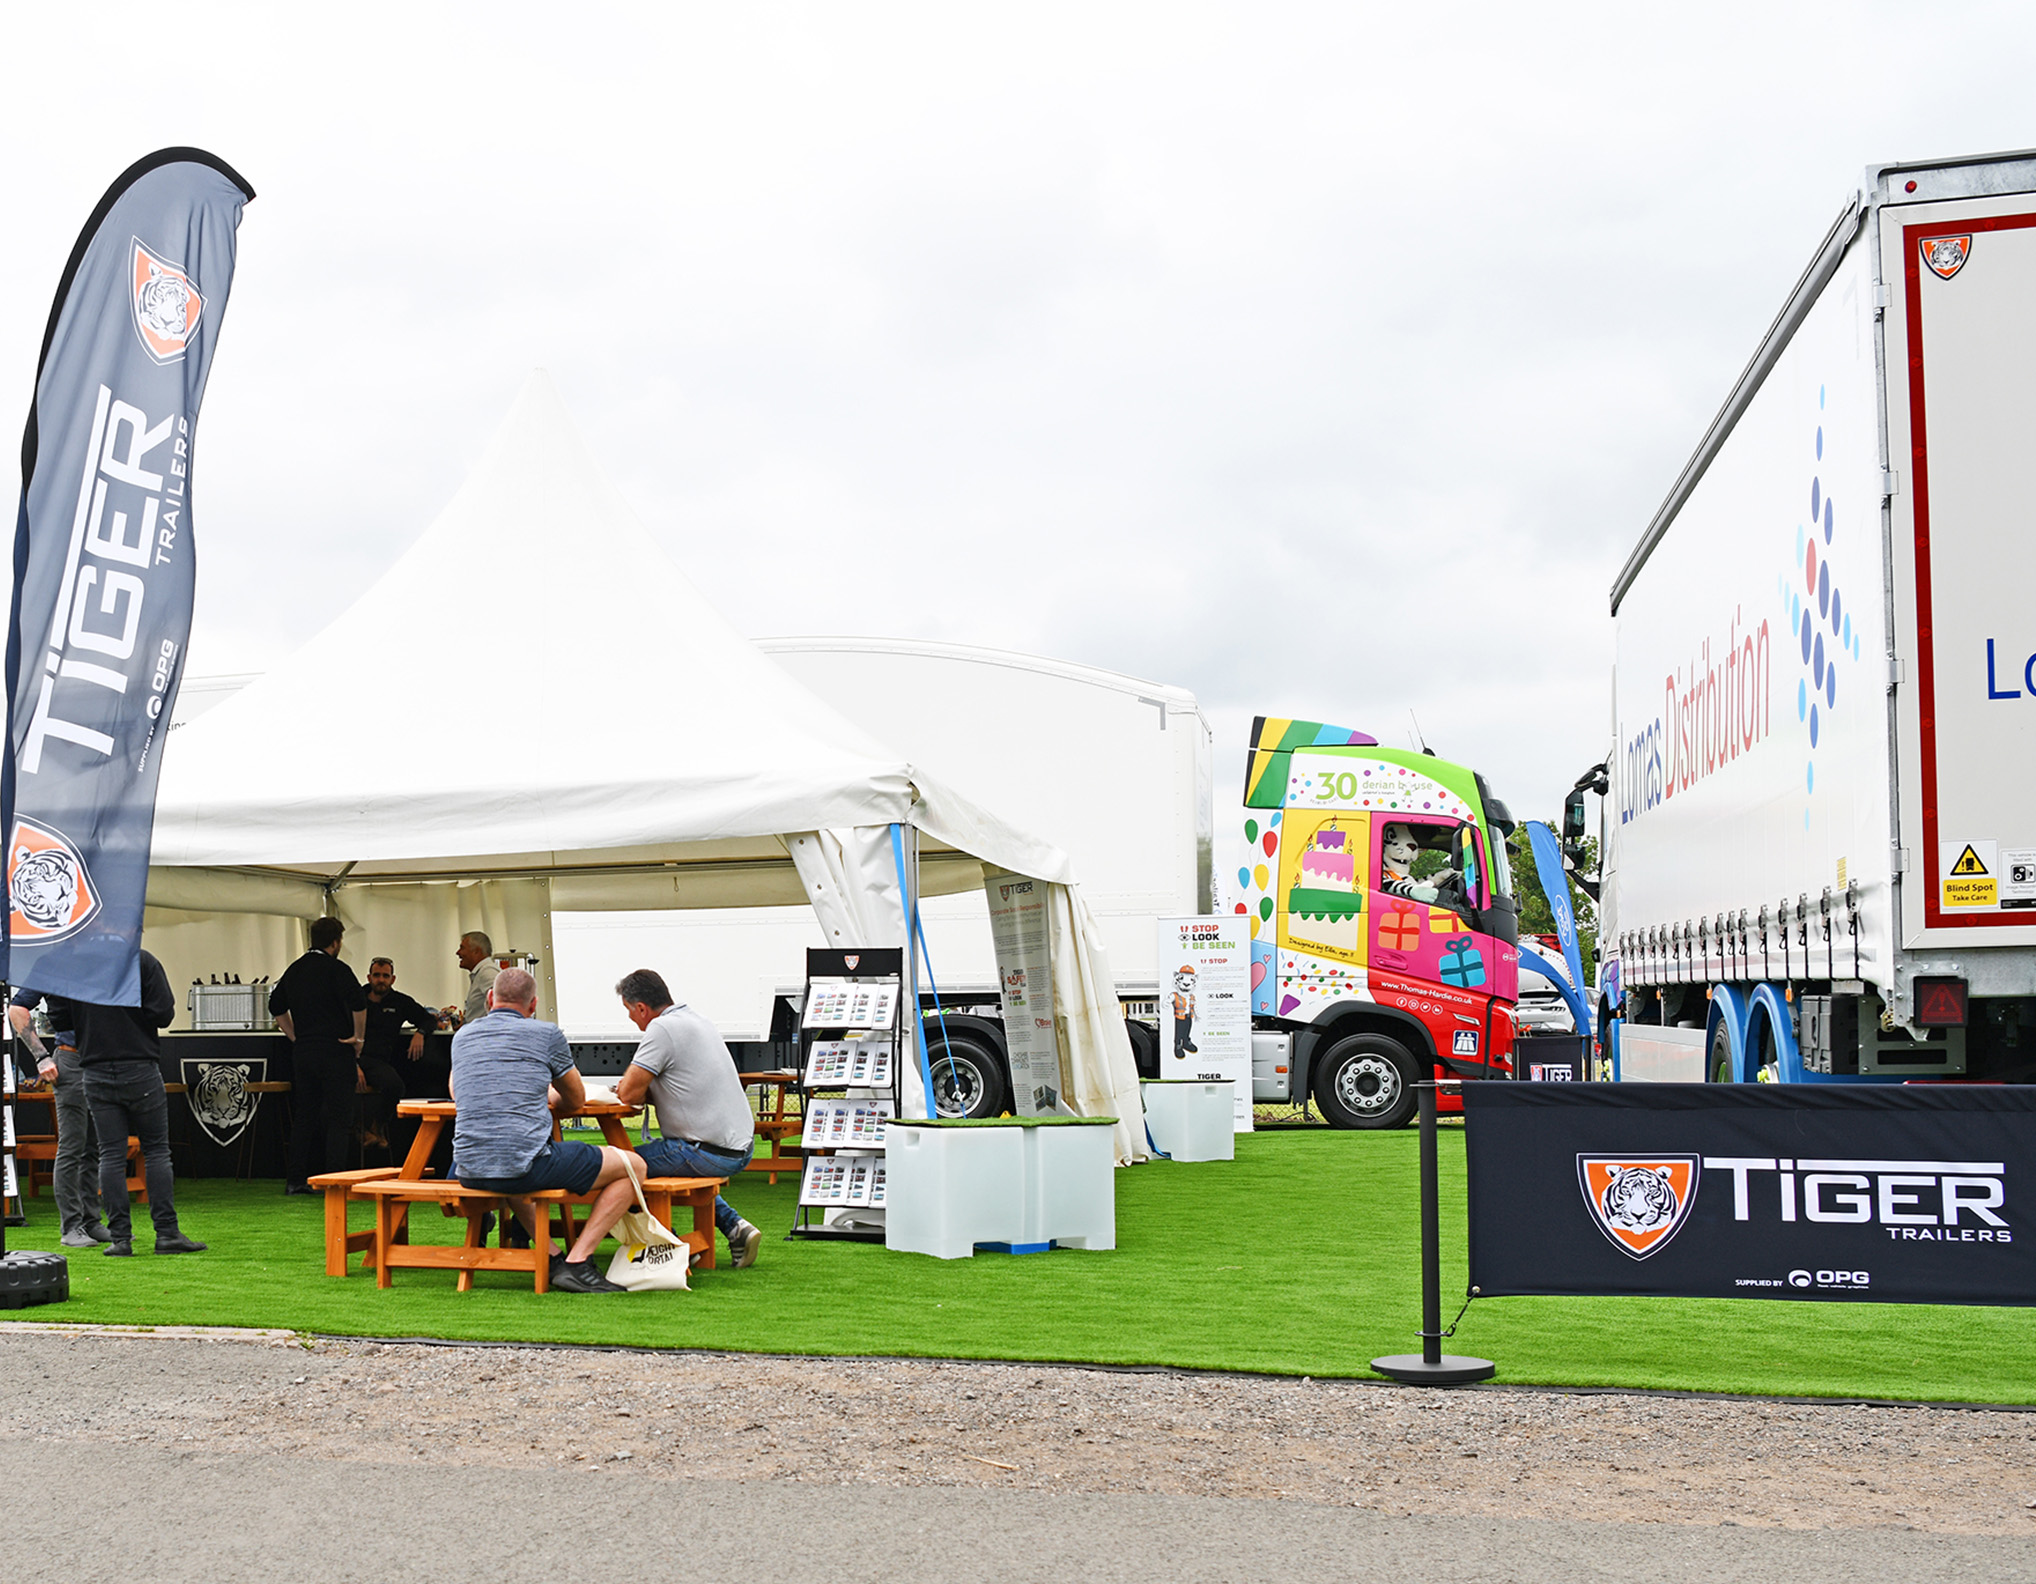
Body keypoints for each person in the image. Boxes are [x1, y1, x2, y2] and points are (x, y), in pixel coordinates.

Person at [449, 967, 639, 1294]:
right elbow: (576, 1098)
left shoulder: (462, 1036)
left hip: (467, 1167)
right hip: (523, 1164)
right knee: (635, 1166)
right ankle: (579, 1261)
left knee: (509, 1166)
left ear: (491, 999)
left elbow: (457, 1090)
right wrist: (547, 1094)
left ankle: (552, 1257)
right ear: (533, 1005)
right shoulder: (546, 1035)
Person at [612, 968, 763, 1268]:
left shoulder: (662, 1029)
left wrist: (629, 1087)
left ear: (641, 1008)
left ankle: (675, 1244)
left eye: (629, 1011)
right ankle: (735, 1228)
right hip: (738, 1146)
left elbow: (628, 1094)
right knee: (638, 1163)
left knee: (618, 1169)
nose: (630, 1019)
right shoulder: (697, 1020)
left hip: (703, 1149)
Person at [72, 946, 205, 1257]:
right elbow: (164, 1014)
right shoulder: (142, 961)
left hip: (95, 1068)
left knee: (110, 1155)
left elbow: (60, 1016)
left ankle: (120, 1238)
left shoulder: (77, 965)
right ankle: (167, 1233)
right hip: (139, 1066)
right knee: (157, 1150)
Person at [268, 916, 369, 1192]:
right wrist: (358, 1038)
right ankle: (333, 1183)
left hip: (305, 1052)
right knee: (339, 1120)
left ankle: (295, 1180)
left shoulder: (295, 970)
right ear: (336, 942)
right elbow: (359, 1003)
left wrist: (295, 1037)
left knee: (305, 1117)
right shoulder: (338, 970)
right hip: (336, 1049)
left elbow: (275, 1006)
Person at [8, 988, 110, 1247]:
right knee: (72, 1147)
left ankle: (91, 1222)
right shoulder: (51, 963)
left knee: (93, 1148)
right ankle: (71, 1227)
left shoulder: (100, 962)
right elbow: (17, 1010)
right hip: (71, 1061)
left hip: (101, 1062)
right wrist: (41, 1057)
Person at [362, 957, 446, 1145]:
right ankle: (360, 1131)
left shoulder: (400, 1001)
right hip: (353, 1058)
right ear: (369, 977)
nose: (381, 980)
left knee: (396, 1086)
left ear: (393, 979)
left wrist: (420, 1033)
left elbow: (429, 1020)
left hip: (379, 1062)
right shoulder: (356, 998)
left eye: (385, 976)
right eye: (377, 975)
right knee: (336, 1091)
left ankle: (376, 1127)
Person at [442, 931, 501, 1028]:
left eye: (462, 948)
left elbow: (503, 1004)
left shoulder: (487, 972)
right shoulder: (482, 973)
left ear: (476, 951)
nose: (458, 952)